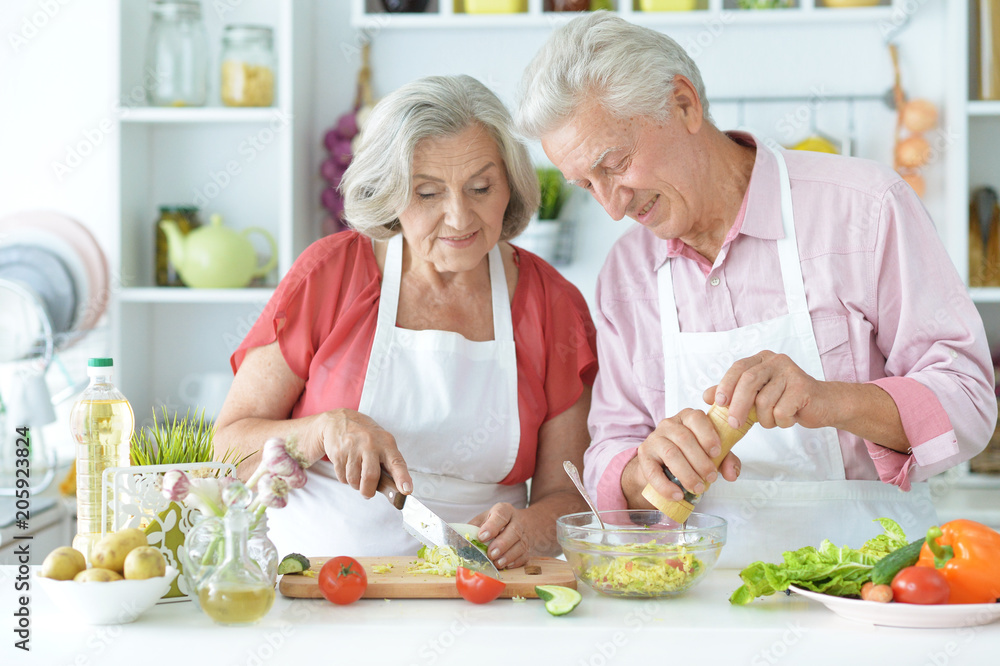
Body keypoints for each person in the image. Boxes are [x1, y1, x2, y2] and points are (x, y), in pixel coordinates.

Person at [515, 12, 997, 567]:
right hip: (698, 594)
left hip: (872, 585)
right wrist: (640, 467)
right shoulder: (627, 271)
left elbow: (969, 400)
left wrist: (830, 400)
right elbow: (609, 446)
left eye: (616, 164)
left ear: (684, 104)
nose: (611, 205)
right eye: (585, 184)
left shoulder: (864, 207)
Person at [214, 75, 598, 568]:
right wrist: (323, 431)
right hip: (313, 584)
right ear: (391, 193)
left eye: (481, 187)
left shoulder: (554, 305)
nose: (460, 218)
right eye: (427, 194)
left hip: (477, 590)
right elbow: (225, 449)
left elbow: (568, 501)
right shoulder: (332, 273)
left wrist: (528, 530)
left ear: (511, 184)